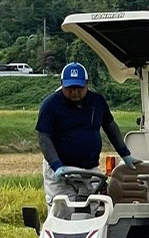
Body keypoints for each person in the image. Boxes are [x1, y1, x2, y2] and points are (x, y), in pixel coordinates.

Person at [36, 62, 140, 204]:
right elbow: (44, 138)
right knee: (63, 209)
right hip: (62, 169)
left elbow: (110, 126)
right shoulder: (50, 105)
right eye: (70, 88)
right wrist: (56, 165)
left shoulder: (97, 102)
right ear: (62, 85)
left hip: (89, 169)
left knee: (92, 208)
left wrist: (124, 153)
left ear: (86, 84)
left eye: (79, 88)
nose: (74, 92)